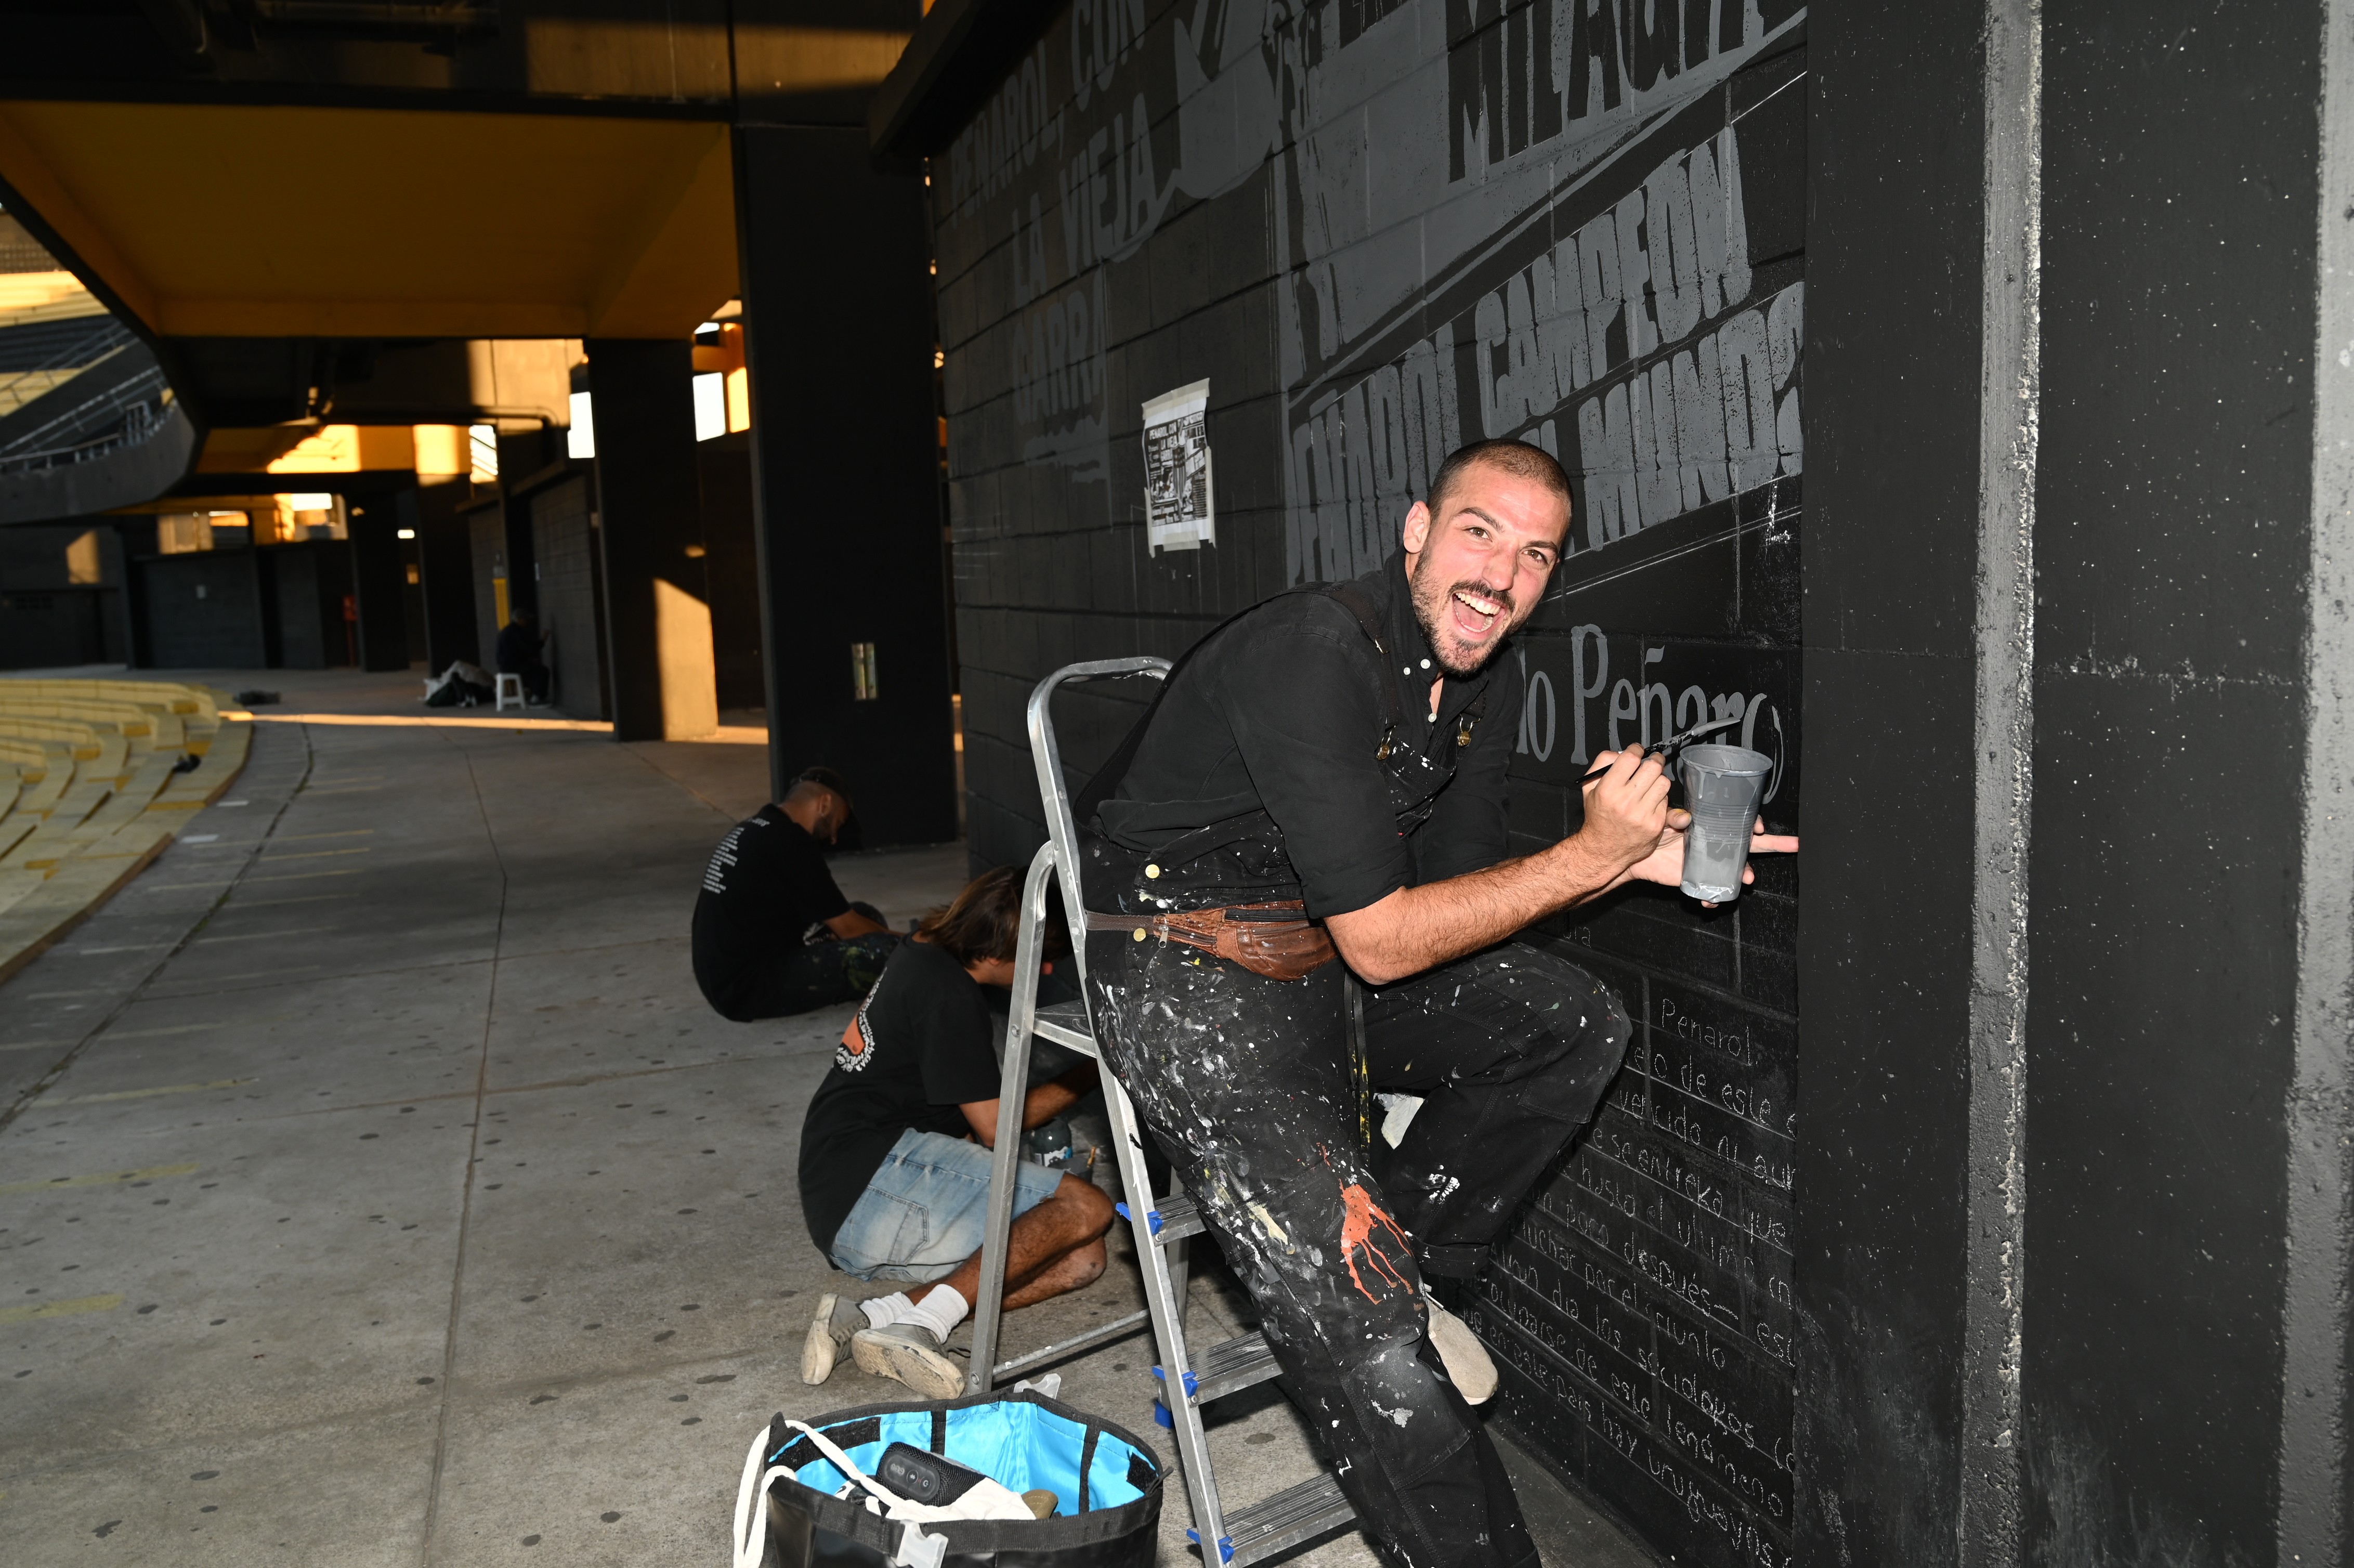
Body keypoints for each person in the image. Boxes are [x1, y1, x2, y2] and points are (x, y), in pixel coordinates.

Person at [1077, 439, 1797, 1568]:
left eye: (1533, 554)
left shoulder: (1484, 675)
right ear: (1416, 529)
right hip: (1189, 971)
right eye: (1477, 532)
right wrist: (1582, 855)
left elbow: (1445, 902)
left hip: (1327, 958)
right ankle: (1387, 1311)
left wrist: (1619, 863)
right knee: (1374, 1351)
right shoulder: (1312, 650)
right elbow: (1383, 940)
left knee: (1571, 1021)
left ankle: (1413, 1274)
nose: (1499, 575)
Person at [797, 867, 1113, 1399]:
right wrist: (1095, 1069)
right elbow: (995, 1127)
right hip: (867, 1180)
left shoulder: (923, 948)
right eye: (1040, 956)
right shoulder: (947, 992)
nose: (1049, 966)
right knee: (1087, 1208)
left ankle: (878, 1316)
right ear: (995, 954)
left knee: (1082, 1258)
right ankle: (925, 1327)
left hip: (849, 1194)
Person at [692, 767, 898, 1021]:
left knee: (866, 914)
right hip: (748, 989)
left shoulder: (760, 828)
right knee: (888, 951)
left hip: (727, 979)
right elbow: (848, 928)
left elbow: (844, 917)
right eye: (837, 823)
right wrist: (920, 943)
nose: (834, 838)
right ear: (824, 804)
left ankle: (866, 983)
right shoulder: (792, 845)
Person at [495, 605, 550, 705]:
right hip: (512, 667)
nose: (527, 622)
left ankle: (533, 696)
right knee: (542, 671)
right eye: (525, 619)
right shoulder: (516, 632)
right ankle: (536, 698)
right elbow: (528, 648)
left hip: (506, 666)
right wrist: (542, 641)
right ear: (520, 620)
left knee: (534, 669)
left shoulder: (508, 630)